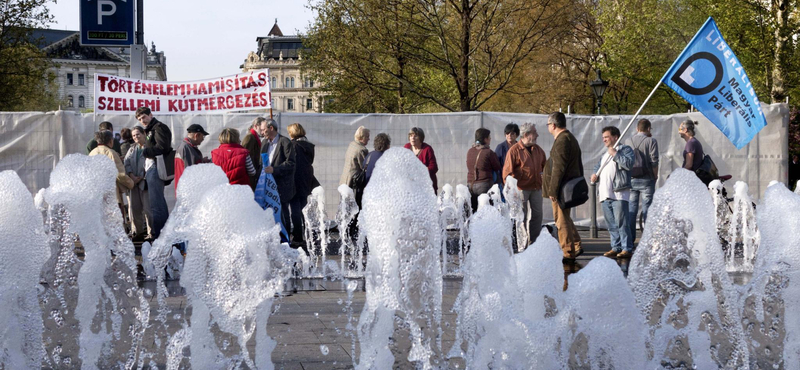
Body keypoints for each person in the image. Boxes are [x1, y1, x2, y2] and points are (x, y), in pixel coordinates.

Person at [542, 112, 584, 260]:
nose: (548, 127)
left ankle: (567, 252)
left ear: (553, 125)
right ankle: (576, 245)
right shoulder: (569, 137)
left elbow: (558, 168)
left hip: (561, 188)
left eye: (548, 124)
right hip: (566, 186)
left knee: (561, 220)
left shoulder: (562, 140)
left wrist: (553, 189)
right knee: (565, 218)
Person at [591, 126, 635, 259]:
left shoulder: (625, 150)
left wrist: (616, 154)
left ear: (615, 137)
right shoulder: (605, 154)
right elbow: (598, 167)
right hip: (605, 194)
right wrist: (594, 174)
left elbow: (628, 164)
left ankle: (627, 248)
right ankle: (616, 247)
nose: (604, 139)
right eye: (603, 137)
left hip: (618, 193)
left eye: (606, 137)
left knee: (622, 222)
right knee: (611, 224)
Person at [502, 123, 547, 245]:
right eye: (534, 132)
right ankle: (522, 245)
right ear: (526, 134)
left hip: (536, 187)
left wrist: (545, 177)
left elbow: (546, 167)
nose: (537, 135)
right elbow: (507, 173)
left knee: (537, 216)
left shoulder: (538, 150)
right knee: (521, 218)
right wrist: (512, 192)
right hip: (520, 189)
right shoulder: (514, 150)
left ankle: (534, 243)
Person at [137, 106, 172, 239]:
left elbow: (163, 147)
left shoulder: (158, 127)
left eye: (144, 117)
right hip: (152, 167)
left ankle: (161, 237)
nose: (142, 120)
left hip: (156, 167)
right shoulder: (151, 129)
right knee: (157, 204)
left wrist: (145, 152)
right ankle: (163, 237)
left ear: (150, 114)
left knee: (157, 206)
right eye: (140, 119)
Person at [260, 119, 296, 237]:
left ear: (271, 128)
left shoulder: (284, 142)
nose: (262, 132)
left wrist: (275, 169)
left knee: (283, 212)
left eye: (264, 129)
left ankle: (286, 238)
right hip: (267, 185)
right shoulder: (264, 143)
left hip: (282, 185)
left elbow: (291, 163)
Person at [89, 129, 134, 221]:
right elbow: (120, 174)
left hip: (95, 192)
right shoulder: (110, 152)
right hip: (111, 192)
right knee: (115, 220)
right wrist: (131, 183)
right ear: (110, 140)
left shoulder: (92, 153)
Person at [627, 119, 659, 242]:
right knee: (647, 209)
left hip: (632, 178)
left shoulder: (628, 141)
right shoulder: (652, 141)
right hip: (647, 179)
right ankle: (647, 240)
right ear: (648, 129)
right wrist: (655, 176)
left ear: (637, 128)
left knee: (631, 209)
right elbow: (654, 161)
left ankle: (630, 240)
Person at [288, 123, 317, 250]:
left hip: (295, 180)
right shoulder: (309, 146)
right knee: (304, 209)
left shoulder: (294, 146)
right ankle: (309, 235)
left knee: (295, 209)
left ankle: (298, 237)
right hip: (306, 179)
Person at [123, 126, 153, 241]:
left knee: (148, 209)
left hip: (145, 182)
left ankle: (151, 232)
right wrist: (131, 175)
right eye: (134, 135)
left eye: (138, 134)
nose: (136, 137)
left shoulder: (149, 147)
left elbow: (150, 163)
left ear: (143, 134)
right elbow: (126, 163)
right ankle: (137, 232)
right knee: (134, 209)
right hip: (133, 183)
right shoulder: (132, 149)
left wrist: (140, 177)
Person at [467, 128, 502, 212]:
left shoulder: (470, 151)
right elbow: (497, 167)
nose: (490, 139)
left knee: (474, 210)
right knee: (485, 211)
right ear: (485, 139)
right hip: (484, 184)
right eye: (489, 137)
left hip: (470, 184)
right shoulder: (488, 152)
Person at [340, 126, 370, 207]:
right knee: (354, 209)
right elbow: (365, 167)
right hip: (353, 184)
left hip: (344, 181)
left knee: (345, 208)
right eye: (367, 136)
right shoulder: (362, 149)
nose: (369, 139)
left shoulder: (352, 144)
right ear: (361, 137)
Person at [174, 124, 210, 190]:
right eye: (203, 136)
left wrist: (202, 161)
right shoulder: (186, 148)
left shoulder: (187, 147)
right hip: (188, 190)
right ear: (197, 135)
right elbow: (190, 171)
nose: (203, 139)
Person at [404, 127, 439, 194]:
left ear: (421, 138)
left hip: (426, 187)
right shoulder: (406, 147)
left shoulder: (427, 149)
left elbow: (434, 167)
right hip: (411, 186)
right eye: (411, 135)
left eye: (415, 136)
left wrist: (420, 170)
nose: (413, 138)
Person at [242, 117, 268, 190]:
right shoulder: (250, 137)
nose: (264, 130)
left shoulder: (254, 137)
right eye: (262, 128)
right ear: (256, 126)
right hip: (250, 174)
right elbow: (245, 155)